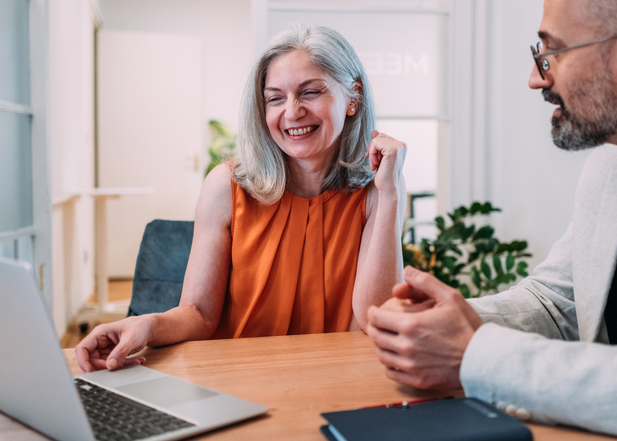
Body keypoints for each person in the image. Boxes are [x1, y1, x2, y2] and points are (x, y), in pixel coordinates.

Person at [367, 0, 617, 439]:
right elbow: (556, 304)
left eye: (552, 53)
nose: (535, 77)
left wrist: (474, 352)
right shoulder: (608, 168)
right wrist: (445, 324)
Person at [76, 24, 407, 372]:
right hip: (238, 380)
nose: (292, 112)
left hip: (331, 379)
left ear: (353, 98)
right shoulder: (227, 186)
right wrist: (146, 324)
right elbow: (199, 315)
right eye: (275, 98)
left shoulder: (379, 190)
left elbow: (376, 321)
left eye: (310, 92)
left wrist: (389, 195)